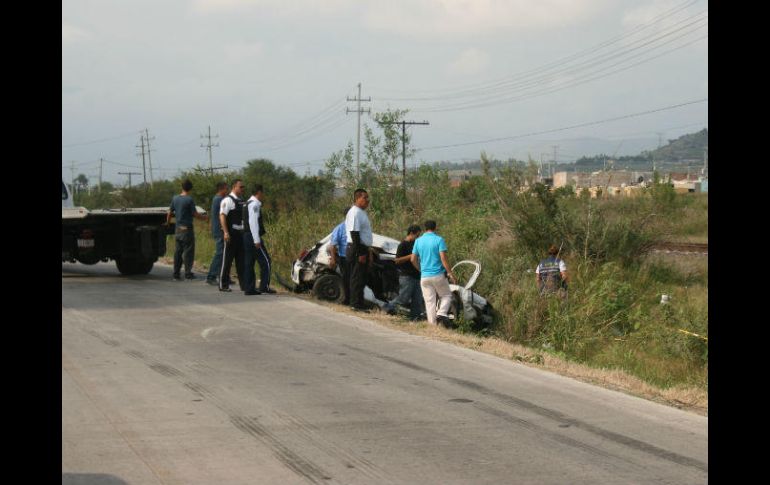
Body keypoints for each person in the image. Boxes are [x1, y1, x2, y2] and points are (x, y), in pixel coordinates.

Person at [411, 220, 457, 327]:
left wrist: (420, 269)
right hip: (438, 274)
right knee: (446, 295)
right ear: (435, 227)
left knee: (429, 301)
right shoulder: (439, 240)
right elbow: (443, 258)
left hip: (424, 276)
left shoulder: (418, 241)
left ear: (425, 228)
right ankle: (441, 313)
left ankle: (432, 326)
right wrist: (450, 273)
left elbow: (413, 259)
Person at [167, 179, 208, 280]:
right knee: (188, 251)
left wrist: (168, 223)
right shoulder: (189, 199)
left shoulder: (175, 198)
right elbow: (194, 214)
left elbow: (169, 213)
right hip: (187, 229)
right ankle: (188, 273)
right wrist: (205, 218)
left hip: (178, 229)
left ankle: (176, 274)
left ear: (182, 187)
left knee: (178, 252)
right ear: (190, 188)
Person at [383, 225, 425, 320]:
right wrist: (410, 256)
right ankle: (387, 307)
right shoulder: (403, 245)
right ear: (411, 233)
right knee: (403, 298)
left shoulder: (415, 244)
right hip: (406, 276)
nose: (417, 238)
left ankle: (415, 317)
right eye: (417, 235)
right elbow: (397, 260)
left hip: (416, 276)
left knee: (417, 299)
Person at [243, 184, 276, 295]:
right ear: (259, 192)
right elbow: (253, 222)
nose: (263, 195)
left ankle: (249, 288)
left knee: (249, 263)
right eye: (262, 193)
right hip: (253, 237)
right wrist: (256, 240)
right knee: (266, 261)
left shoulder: (246, 203)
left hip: (246, 236)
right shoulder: (254, 204)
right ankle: (264, 286)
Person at [345, 189, 373, 312]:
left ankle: (360, 302)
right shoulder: (355, 212)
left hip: (362, 248)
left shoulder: (361, 212)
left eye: (367, 198)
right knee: (356, 277)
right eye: (365, 198)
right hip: (357, 248)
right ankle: (355, 304)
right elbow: (354, 234)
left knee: (361, 277)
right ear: (357, 199)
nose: (367, 200)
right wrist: (361, 253)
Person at [218, 179, 247, 292]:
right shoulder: (227, 200)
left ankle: (244, 285)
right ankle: (223, 285)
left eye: (243, 187)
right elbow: (222, 216)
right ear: (234, 187)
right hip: (231, 235)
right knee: (227, 261)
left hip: (240, 235)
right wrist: (225, 232)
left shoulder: (241, 200)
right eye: (241, 187)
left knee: (241, 262)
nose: (242, 189)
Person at [206, 181, 229, 286]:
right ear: (221, 189)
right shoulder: (220, 200)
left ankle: (223, 276)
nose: (227, 191)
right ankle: (211, 276)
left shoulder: (217, 199)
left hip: (218, 230)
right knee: (220, 253)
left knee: (223, 254)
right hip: (219, 231)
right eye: (226, 189)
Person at [328, 207, 351, 305]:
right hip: (344, 259)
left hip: (356, 259)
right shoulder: (340, 228)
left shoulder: (358, 228)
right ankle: (347, 300)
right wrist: (333, 259)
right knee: (346, 280)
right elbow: (333, 245)